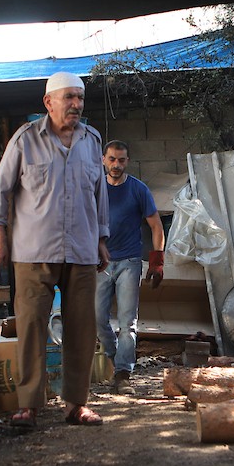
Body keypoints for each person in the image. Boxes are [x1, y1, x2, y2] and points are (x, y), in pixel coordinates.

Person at [0, 72, 109, 426]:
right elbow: (0, 193)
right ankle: (29, 404)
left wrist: (101, 239)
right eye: (69, 97)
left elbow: (99, 195)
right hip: (32, 252)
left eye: (80, 98)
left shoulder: (92, 140)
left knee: (83, 328)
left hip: (82, 250)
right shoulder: (25, 141)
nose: (76, 105)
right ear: (48, 102)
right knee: (31, 327)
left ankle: (76, 404)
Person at [95, 140, 165, 394]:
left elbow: (156, 226)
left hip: (129, 262)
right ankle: (116, 358)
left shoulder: (138, 189)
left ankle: (123, 374)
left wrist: (157, 261)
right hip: (99, 263)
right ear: (103, 160)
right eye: (112, 159)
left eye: (121, 160)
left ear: (127, 161)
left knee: (128, 322)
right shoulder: (95, 189)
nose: (116, 164)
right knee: (97, 318)